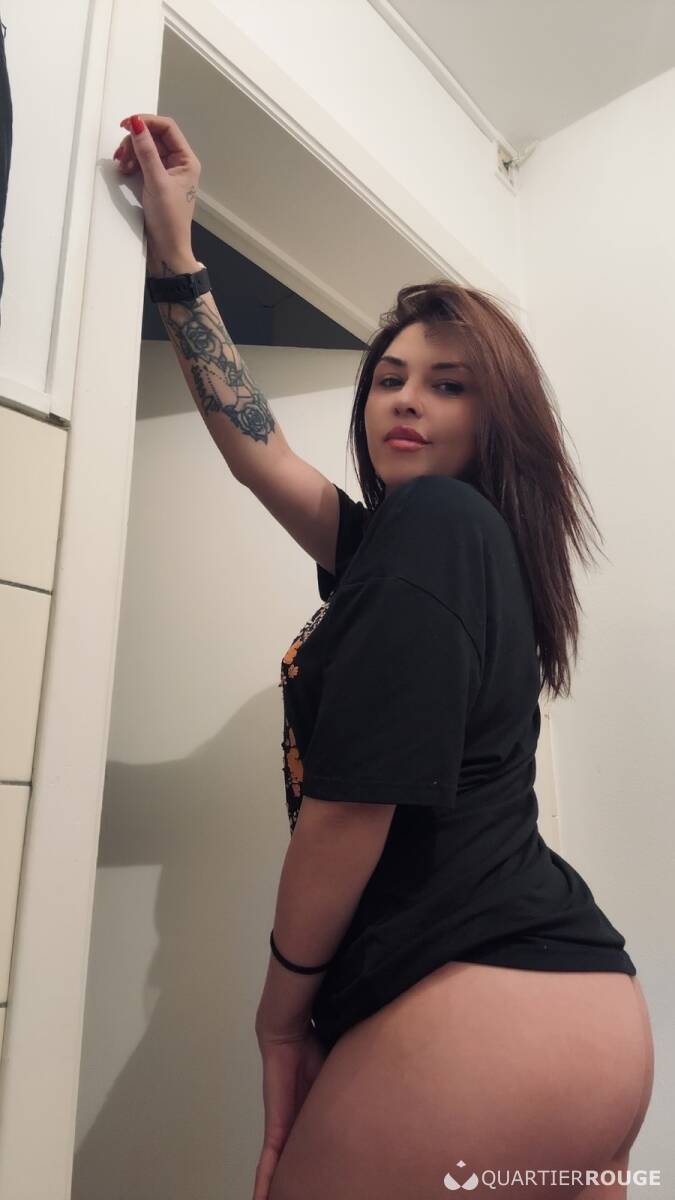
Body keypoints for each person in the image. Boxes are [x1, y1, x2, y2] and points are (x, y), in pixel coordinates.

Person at [113, 114, 655, 1200]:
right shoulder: (430, 550)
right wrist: (175, 252)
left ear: (498, 419)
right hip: (573, 1019)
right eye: (390, 377)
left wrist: (281, 1017)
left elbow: (353, 804)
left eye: (448, 383)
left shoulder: (436, 526)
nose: (405, 397)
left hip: (480, 1013)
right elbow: (260, 452)